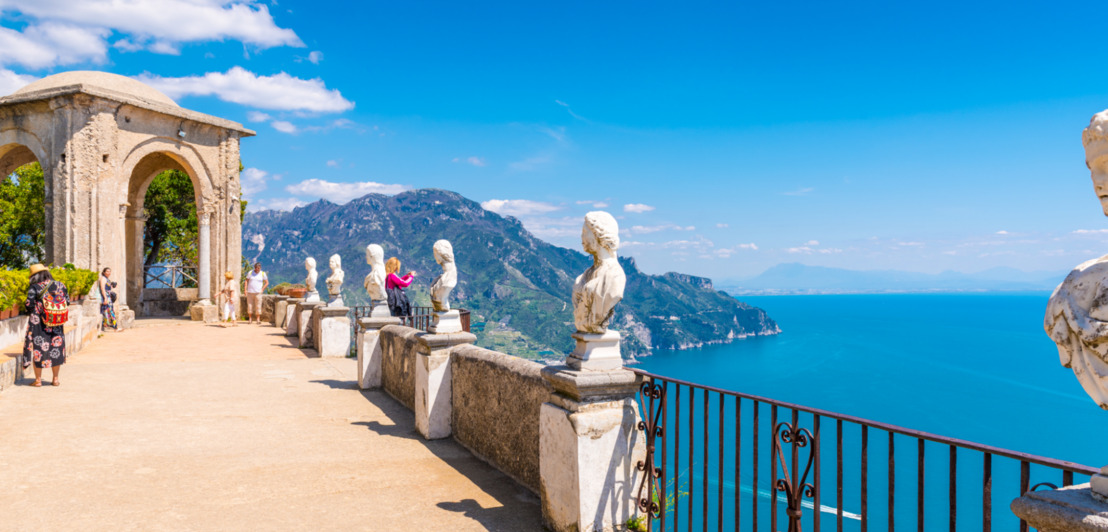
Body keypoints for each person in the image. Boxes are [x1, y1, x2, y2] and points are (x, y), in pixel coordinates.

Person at [23, 264, 69, 387]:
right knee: (56, 349)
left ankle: (38, 380)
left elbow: (29, 304)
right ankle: (55, 379)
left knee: (39, 349)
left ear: (35, 276)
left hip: (39, 322)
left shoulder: (35, 287)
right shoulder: (61, 285)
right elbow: (67, 301)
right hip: (56, 321)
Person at [98, 267, 122, 332]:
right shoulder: (103, 279)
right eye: (107, 271)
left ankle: (106, 326)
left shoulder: (107, 279)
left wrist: (113, 286)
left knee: (108, 311)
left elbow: (108, 288)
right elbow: (102, 288)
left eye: (109, 271)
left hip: (108, 296)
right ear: (104, 272)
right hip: (106, 296)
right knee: (110, 311)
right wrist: (105, 297)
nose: (109, 273)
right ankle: (115, 327)